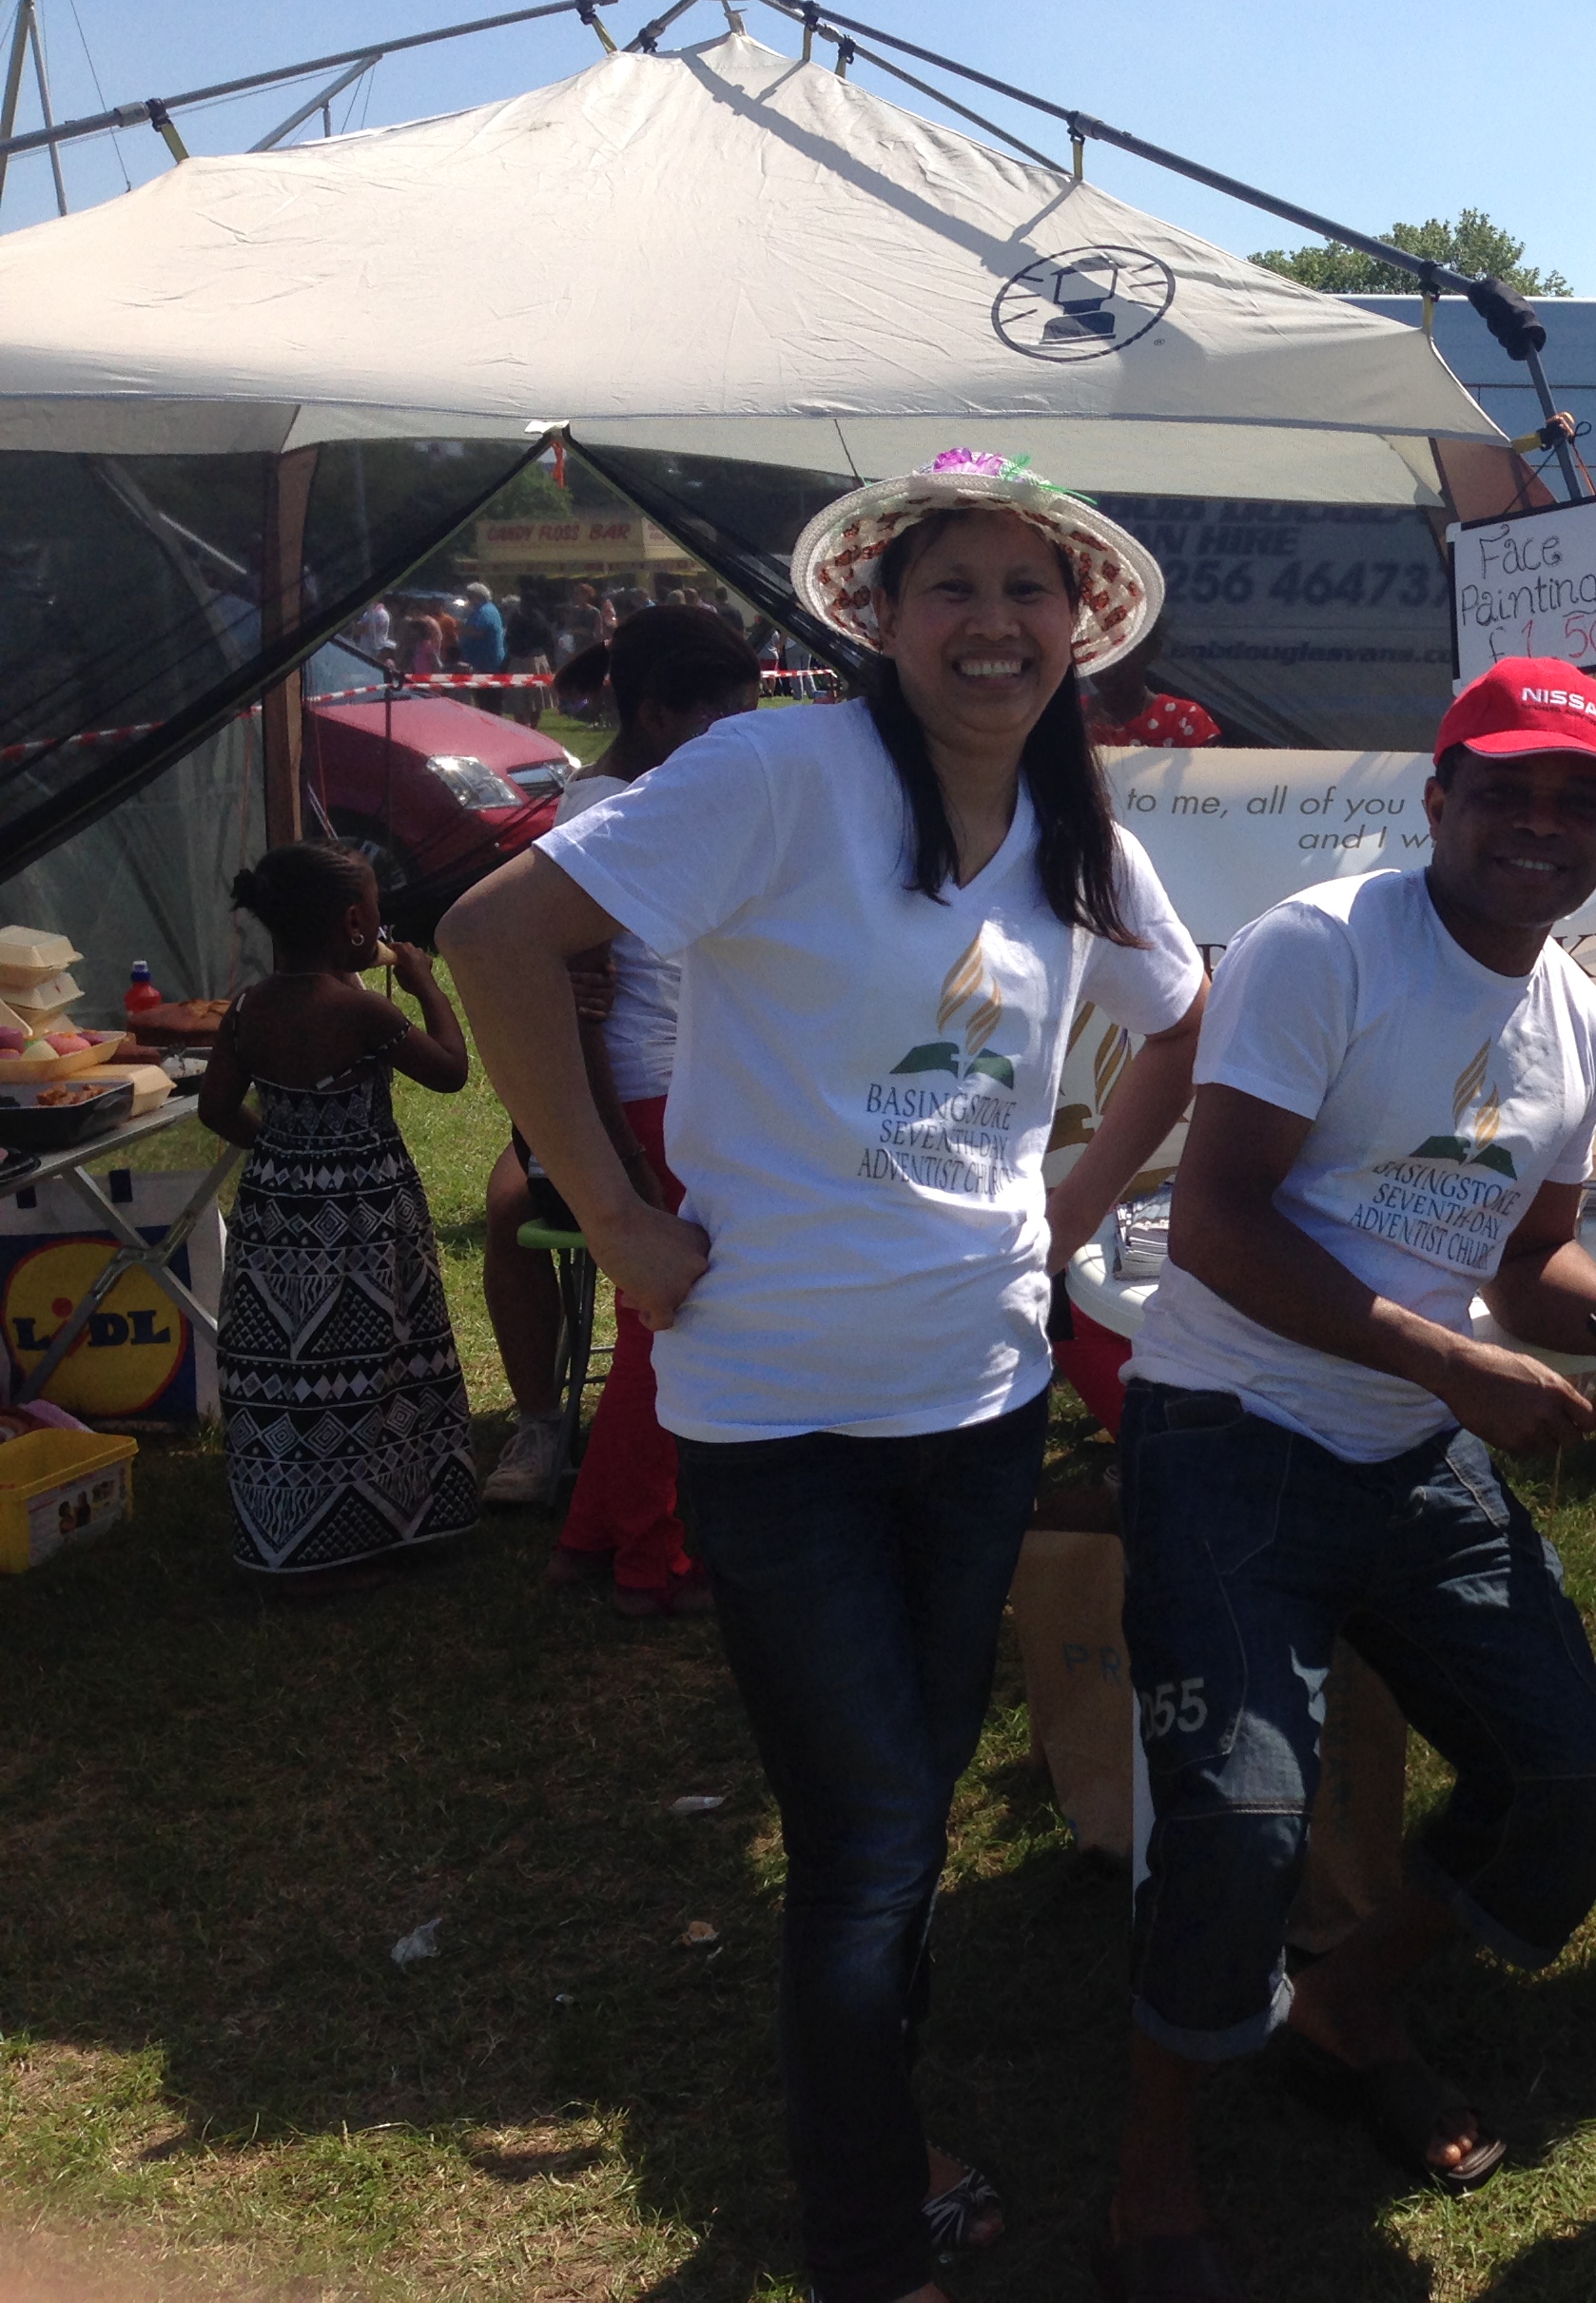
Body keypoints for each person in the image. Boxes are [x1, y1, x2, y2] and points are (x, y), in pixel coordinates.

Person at [444, 450, 1208, 2303]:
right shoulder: (774, 776)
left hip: (977, 1402)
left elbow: (1184, 1022)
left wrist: (1068, 1199)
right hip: (773, 1411)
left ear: (1079, 626)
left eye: (1029, 590)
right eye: (954, 586)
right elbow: (492, 937)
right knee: (869, 1838)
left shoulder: (1072, 824)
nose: (993, 624)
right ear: (880, 612)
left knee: (908, 1807)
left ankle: (883, 2134)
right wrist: (611, 1213)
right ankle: (866, 2236)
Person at [1103, 655, 1596, 2295]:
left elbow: (1523, 1259)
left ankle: (1344, 2003)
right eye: (1504, 789)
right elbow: (1214, 1223)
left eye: (1578, 799)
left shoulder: (1572, 1014)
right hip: (1231, 1433)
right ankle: (1151, 2168)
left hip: (1406, 1451)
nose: (1540, 823)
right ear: (1436, 799)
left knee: (1575, 1782)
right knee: (1239, 1823)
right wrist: (1449, 1364)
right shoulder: (1324, 946)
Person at [533, 606, 764, 1615]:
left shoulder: (637, 794)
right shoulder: (608, 816)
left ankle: (589, 1537)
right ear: (662, 715)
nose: (740, 746)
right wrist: (621, 1162)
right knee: (675, 1324)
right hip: (646, 1097)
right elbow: (576, 1008)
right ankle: (648, 1556)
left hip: (666, 1088)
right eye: (724, 723)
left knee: (660, 1323)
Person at [199, 844, 478, 1591]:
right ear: (354, 923)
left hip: (275, 1214)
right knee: (370, 1357)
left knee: (288, 1368)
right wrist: (425, 984)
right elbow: (451, 1072)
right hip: (364, 1214)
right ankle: (373, 1526)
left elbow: (215, 1107)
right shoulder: (362, 1010)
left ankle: (285, 1535)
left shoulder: (248, 1009)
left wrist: (284, 1150)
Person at [1085, 625, 1222, 749]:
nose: (1108, 669)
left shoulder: (1185, 720)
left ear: (1150, 651)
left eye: (1123, 654)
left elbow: (1208, 767)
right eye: (1098, 654)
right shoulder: (1075, 716)